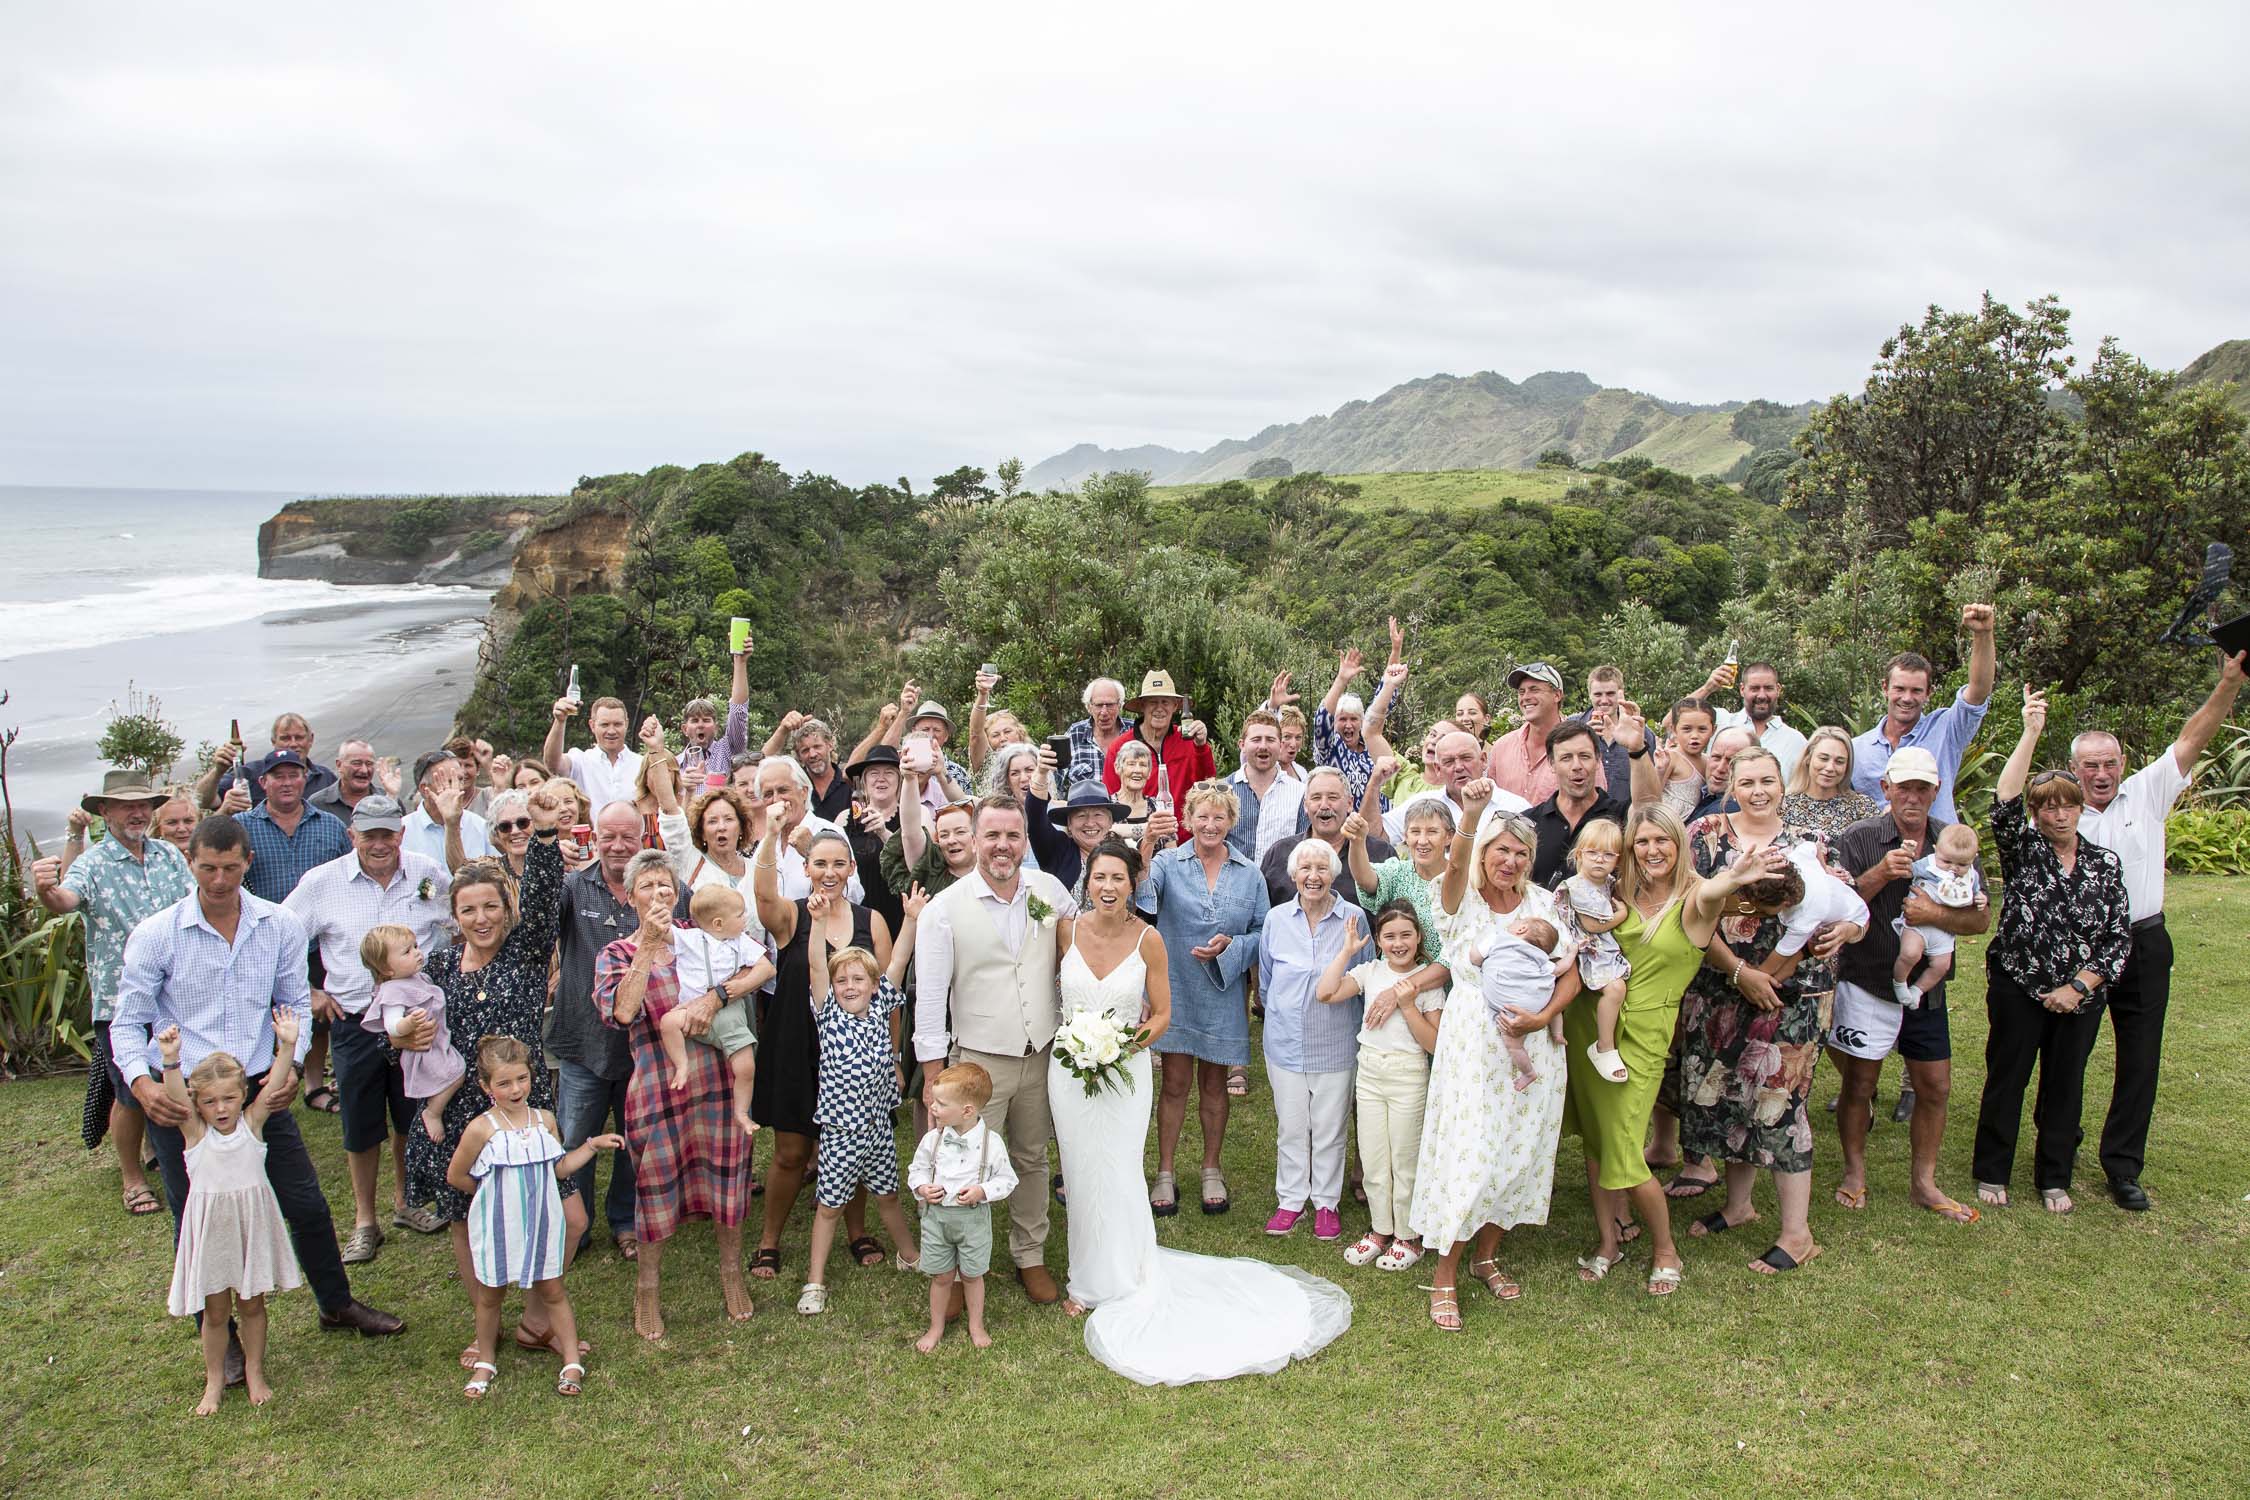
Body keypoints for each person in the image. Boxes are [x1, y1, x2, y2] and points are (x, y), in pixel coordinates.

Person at [1044, 839, 1352, 1384]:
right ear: (1087, 882)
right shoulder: (1065, 931)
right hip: (1069, 1072)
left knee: (1119, 1169)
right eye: (1100, 878)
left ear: (1134, 884)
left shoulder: (1149, 939)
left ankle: (1125, 1273)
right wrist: (1082, 1047)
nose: (1108, 887)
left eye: (1119, 878)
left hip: (1124, 1070)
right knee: (1079, 1170)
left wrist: (1120, 1047)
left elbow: (1162, 1014)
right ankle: (1085, 1275)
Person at [113, 815, 403, 1384]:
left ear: (248, 862)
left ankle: (336, 1302)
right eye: (207, 868)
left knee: (306, 1203)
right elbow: (127, 1022)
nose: (219, 880)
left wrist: (290, 1067)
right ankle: (217, 1336)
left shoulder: (278, 924)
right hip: (182, 1094)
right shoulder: (157, 933)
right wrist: (142, 1085)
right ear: (190, 863)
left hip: (254, 1090)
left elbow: (293, 1001)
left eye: (230, 868)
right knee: (194, 1215)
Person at [1673, 747, 1870, 1274]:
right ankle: (1738, 1205)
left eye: (1767, 781)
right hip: (1720, 990)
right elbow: (1688, 910)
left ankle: (1797, 1234)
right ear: (1729, 786)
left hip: (1793, 997)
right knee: (1732, 1097)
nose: (1757, 791)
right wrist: (1741, 971)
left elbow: (1852, 908)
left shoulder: (1811, 842)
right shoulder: (1705, 836)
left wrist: (1847, 931)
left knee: (1780, 1104)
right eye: (1747, 782)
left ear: (1783, 785)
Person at [397, 816, 581, 1367]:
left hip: (525, 1108)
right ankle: (487, 1328)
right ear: (454, 916)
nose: (481, 919)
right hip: (461, 1114)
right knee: (469, 1222)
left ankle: (536, 1319)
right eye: (469, 910)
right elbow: (399, 1031)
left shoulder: (526, 952)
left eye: (491, 906)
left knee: (569, 1218)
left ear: (508, 907)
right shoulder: (436, 968)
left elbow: (544, 901)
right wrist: (400, 1035)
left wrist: (543, 837)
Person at [2074, 649, 2245, 1209]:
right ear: (2074, 769)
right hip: (2081, 947)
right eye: (2090, 766)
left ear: (2122, 763)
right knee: (2068, 1051)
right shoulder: (2059, 811)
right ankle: (2060, 1143)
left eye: (2109, 763)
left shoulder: (2148, 791)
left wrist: (2228, 683)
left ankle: (2123, 1167)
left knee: (2140, 1058)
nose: (2101, 774)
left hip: (2144, 941)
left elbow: (2194, 738)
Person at [1407, 786, 1578, 1328]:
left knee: (1520, 1150)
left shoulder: (1544, 905)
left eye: (1522, 853)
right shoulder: (1459, 897)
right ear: (1483, 852)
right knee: (1473, 1152)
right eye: (1501, 849)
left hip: (1533, 1047)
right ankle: (1444, 1275)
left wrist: (1540, 1017)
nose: (1511, 861)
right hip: (1474, 1043)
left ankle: (1486, 1257)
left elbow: (1572, 973)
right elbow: (1456, 867)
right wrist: (1472, 816)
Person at [911, 796, 1077, 1304]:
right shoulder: (943, 910)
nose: (1002, 846)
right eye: (992, 836)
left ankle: (1030, 1253)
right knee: (961, 1162)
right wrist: (934, 1079)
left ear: (1025, 840)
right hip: (977, 1061)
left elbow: (1081, 947)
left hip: (1040, 1052)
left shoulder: (1049, 891)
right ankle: (954, 1270)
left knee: (1032, 1156)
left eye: (1012, 836)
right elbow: (930, 1000)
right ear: (974, 840)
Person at [1972, 687, 2132, 1214]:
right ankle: (1992, 1170)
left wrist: (2079, 986)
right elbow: (2005, 801)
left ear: (2081, 808)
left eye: (2067, 805)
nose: (2059, 815)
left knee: (2065, 1086)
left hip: (2079, 996)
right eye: (2048, 807)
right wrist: (2031, 731)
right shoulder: (2023, 850)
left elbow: (2117, 937)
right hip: (2018, 985)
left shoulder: (2104, 864)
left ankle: (2054, 1176)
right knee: (2008, 1078)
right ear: (2037, 814)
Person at [594, 851, 760, 1338]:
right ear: (630, 897)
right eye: (647, 886)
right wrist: (647, 945)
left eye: (665, 884)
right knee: (655, 1189)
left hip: (719, 1083)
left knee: (729, 1180)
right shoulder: (616, 953)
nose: (658, 893)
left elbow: (755, 967)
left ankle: (731, 1274)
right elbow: (622, 1013)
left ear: (678, 893)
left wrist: (717, 996)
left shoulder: (702, 934)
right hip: (659, 1088)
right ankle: (647, 1289)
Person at [284, 793, 454, 1258]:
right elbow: (280, 938)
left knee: (409, 1115)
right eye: (369, 835)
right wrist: (309, 992)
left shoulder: (426, 873)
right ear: (352, 835)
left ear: (401, 833)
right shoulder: (323, 882)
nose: (379, 844)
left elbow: (455, 925)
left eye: (387, 834)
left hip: (416, 1024)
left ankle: (406, 1201)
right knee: (360, 1123)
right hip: (356, 1020)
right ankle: (365, 1220)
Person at [1827, 745, 1991, 1222]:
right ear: (1887, 788)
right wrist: (1881, 873)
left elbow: (1980, 920)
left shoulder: (1953, 839)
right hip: (1867, 979)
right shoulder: (1860, 837)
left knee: (1934, 1086)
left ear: (1936, 791)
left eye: (1923, 788)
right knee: (1860, 1083)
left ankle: (1924, 1182)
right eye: (1904, 788)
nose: (1913, 797)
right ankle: (1854, 1172)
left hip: (1925, 988)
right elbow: (1838, 903)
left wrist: (1933, 913)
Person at [32, 770, 192, 1218]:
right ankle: (132, 1177)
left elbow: (193, 905)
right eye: (126, 806)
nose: (137, 813)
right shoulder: (93, 863)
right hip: (120, 1003)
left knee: (178, 1078)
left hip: (176, 995)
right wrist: (45, 890)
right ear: (104, 811)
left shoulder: (168, 855)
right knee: (130, 1093)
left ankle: (183, 1157)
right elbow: (64, 900)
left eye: (143, 805)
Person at [751, 815, 893, 1282]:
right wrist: (772, 835)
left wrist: (890, 1057)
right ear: (806, 868)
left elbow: (888, 996)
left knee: (853, 1145)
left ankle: (857, 1231)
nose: (829, 873)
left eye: (837, 864)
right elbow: (763, 898)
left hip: (856, 1059)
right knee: (791, 1151)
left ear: (851, 868)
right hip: (798, 1046)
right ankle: (769, 1239)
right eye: (819, 864)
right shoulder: (792, 915)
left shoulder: (871, 922)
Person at [447, 1036, 623, 1399]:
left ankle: (571, 1360)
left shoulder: (544, 1120)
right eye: (504, 1083)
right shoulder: (481, 1128)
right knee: (490, 1296)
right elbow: (456, 1175)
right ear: (486, 1086)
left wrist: (592, 1145)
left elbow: (559, 1169)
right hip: (499, 1228)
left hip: (541, 1224)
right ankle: (486, 1360)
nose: (515, 1089)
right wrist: (489, 1195)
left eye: (522, 1079)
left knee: (553, 1290)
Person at [1134, 783, 1269, 1217]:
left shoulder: (1250, 873)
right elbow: (1142, 902)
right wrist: (1146, 846)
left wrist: (1233, 946)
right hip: (1175, 986)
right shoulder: (1167, 864)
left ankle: (1212, 1167)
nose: (1210, 825)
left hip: (1224, 989)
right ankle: (1165, 1171)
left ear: (1232, 822)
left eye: (1219, 817)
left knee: (1214, 1083)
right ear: (1188, 820)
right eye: (1202, 817)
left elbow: (1264, 933)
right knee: (1174, 1083)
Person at [156, 1019, 303, 1415]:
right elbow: (177, 1097)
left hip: (248, 1227)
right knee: (216, 1311)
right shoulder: (195, 1135)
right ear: (197, 1104)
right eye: (209, 1102)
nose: (220, 1109)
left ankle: (254, 1371)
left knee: (252, 1304)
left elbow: (274, 1086)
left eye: (228, 1098)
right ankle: (214, 1380)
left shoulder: (251, 1125)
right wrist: (170, 1060)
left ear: (242, 1095)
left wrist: (287, 1046)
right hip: (214, 1233)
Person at [794, 889, 927, 1315]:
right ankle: (815, 1281)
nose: (849, 986)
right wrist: (817, 923)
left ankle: (910, 1255)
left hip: (878, 1128)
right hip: (840, 1132)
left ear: (873, 984)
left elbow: (898, 960)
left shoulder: (881, 1003)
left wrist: (911, 919)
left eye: (858, 980)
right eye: (842, 981)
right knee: (830, 1206)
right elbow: (817, 964)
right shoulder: (829, 1012)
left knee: (888, 1196)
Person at [1258, 840, 1371, 1242]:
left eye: (1322, 869)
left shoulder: (1354, 918)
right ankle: (1291, 1200)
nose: (1313, 876)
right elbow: (1266, 980)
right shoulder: (1276, 919)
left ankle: (1326, 1202)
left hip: (1336, 1041)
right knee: (1291, 1126)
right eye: (1305, 869)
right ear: (1293, 876)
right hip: (1285, 1042)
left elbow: (1364, 978)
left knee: (1329, 1128)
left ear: (1334, 874)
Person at [1318, 900, 1441, 1270]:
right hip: (1370, 1073)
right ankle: (1380, 1229)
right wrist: (1346, 951)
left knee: (1404, 1159)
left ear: (1418, 938)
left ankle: (1408, 1235)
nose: (1398, 943)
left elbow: (1434, 1044)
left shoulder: (1426, 981)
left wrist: (1408, 1005)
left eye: (1406, 935)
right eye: (1390, 936)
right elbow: (1325, 993)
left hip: (1408, 1074)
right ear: (1378, 940)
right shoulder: (1370, 971)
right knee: (1373, 1158)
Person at [1849, 603, 1998, 823]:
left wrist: (1983, 634)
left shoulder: (1946, 731)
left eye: (1916, 691)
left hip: (1939, 843)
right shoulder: (1856, 750)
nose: (1907, 698)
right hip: (1879, 845)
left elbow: (1978, 691)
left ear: (1928, 693)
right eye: (1900, 689)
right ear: (1885, 688)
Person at [909, 1062, 1017, 1352]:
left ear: (967, 1110)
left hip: (973, 1221)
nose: (933, 1107)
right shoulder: (933, 1140)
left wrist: (982, 1191)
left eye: (941, 1103)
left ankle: (976, 1324)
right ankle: (935, 1327)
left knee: (972, 1275)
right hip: (937, 1220)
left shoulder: (991, 1143)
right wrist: (922, 1187)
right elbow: (916, 1170)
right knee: (942, 1276)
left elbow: (1007, 1180)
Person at [663, 885, 770, 1134]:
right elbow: (662, 931)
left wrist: (739, 986)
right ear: (719, 923)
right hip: (691, 1009)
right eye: (740, 914)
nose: (745, 918)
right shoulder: (690, 938)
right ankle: (681, 1064)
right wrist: (663, 906)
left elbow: (766, 969)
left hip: (729, 1016)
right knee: (668, 1022)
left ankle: (741, 1112)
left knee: (745, 1067)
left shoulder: (741, 942)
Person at [357, 924, 465, 1143]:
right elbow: (392, 1026)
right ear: (386, 969)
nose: (416, 952)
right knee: (456, 1073)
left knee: (455, 1073)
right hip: (424, 1050)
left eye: (415, 946)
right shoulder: (392, 991)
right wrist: (409, 1024)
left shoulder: (418, 978)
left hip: (437, 1042)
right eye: (407, 951)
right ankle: (432, 1112)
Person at [1555, 818, 1632, 1082]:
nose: (1600, 860)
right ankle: (1604, 1047)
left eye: (1608, 855)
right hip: (1584, 949)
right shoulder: (1578, 887)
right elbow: (1592, 925)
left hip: (1602, 948)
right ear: (1579, 855)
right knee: (1615, 989)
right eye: (1592, 853)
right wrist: (1621, 915)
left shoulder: (1608, 882)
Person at [1348, 763, 1449, 963]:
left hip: (1447, 978)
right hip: (1396, 978)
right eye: (1415, 832)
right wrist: (1357, 841)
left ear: (1449, 836)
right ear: (1405, 836)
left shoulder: (1460, 876)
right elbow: (1364, 878)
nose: (1422, 840)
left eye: (1432, 832)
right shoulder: (1397, 871)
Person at [1259, 767, 1397, 910]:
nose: (1324, 805)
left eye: (1333, 797)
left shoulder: (1381, 853)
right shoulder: (1279, 854)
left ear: (1349, 804)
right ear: (1306, 805)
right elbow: (1262, 914)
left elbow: (1398, 913)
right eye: (1316, 798)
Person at [232, 749, 351, 904]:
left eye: (293, 776)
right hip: (264, 918)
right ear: (263, 782)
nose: (287, 783)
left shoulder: (332, 826)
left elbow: (351, 875)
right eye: (278, 777)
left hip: (324, 918)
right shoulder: (241, 827)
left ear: (305, 779)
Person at [1525, 720, 1627, 889]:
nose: (1576, 766)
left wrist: (1637, 751)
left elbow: (1646, 804)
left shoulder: (1621, 817)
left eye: (1584, 756)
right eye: (1566, 758)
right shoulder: (1529, 823)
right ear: (1552, 764)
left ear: (1598, 760)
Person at [1891, 824, 1984, 1006]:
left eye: (1962, 864)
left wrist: (1980, 898)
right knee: (1910, 954)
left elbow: (1974, 892)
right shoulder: (1929, 865)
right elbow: (1908, 871)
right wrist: (1906, 854)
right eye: (1946, 861)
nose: (1953, 868)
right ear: (1936, 850)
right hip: (1917, 925)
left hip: (1944, 931)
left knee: (1942, 966)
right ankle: (1899, 982)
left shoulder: (1971, 875)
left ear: (1973, 859)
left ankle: (1918, 990)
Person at [1468, 916, 1565, 1090]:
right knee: (1552, 1000)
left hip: (1509, 1006)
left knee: (1514, 1046)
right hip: (1537, 1000)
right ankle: (1557, 1032)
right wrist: (1571, 953)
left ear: (1521, 929)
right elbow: (1558, 970)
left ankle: (1528, 1073)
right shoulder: (1540, 956)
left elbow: (1475, 958)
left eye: (1516, 922)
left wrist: (1475, 944)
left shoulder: (1499, 937)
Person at [1385, 728, 1523, 842]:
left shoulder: (1514, 807)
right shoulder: (1421, 804)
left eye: (1466, 758)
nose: (1458, 767)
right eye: (1449, 761)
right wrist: (1375, 784)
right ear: (1438, 769)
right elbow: (1379, 835)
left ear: (1483, 760)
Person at [1102, 670, 1216, 805]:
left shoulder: (1188, 741)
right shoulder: (1119, 747)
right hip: (1137, 819)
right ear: (1143, 706)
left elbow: (1207, 786)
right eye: (1153, 702)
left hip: (1182, 819)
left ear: (1175, 706)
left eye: (1165, 702)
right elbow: (1109, 798)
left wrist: (1201, 746)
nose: (1159, 708)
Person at [1313, 646, 1406, 805]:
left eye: (1354, 719)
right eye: (1342, 719)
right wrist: (1341, 680)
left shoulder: (1371, 746)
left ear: (1362, 722)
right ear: (1334, 723)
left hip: (1379, 819)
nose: (1348, 725)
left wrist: (1395, 651)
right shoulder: (1329, 749)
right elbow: (1322, 719)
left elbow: (1384, 700)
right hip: (1344, 820)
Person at [199, 712, 337, 811]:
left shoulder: (325, 777)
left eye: (299, 737)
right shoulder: (250, 773)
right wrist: (218, 771)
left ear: (310, 740)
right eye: (285, 738)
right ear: (273, 741)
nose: (293, 744)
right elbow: (203, 801)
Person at [1703, 661, 1808, 782]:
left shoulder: (1796, 741)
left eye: (1768, 688)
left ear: (1778, 689)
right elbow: (1683, 718)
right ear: (1742, 689)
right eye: (1755, 688)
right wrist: (1706, 689)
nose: (1762, 695)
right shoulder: (1721, 720)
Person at [543, 691, 645, 816]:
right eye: (604, 725)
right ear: (592, 726)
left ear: (626, 724)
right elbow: (553, 764)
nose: (611, 731)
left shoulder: (642, 764)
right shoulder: (580, 761)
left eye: (617, 724)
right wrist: (560, 721)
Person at [1029, 777, 1129, 902]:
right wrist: (1041, 774)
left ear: (1110, 822)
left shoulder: (1123, 854)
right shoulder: (1058, 850)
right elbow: (1035, 817)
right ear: (1069, 824)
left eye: (1098, 815)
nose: (1090, 823)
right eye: (1081, 816)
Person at [1223, 709, 1303, 862]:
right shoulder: (1224, 790)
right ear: (1242, 745)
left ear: (1280, 745)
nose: (1263, 746)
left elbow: (1305, 849)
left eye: (1270, 740)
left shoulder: (1300, 793)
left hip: (1283, 878)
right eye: (1256, 739)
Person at [1486, 662, 1572, 804]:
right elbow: (1490, 803)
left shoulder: (1579, 746)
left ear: (1557, 695)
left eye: (1534, 689)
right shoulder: (1501, 748)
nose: (1525, 697)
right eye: (1521, 692)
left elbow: (1595, 806)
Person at [1781, 726, 1883, 841]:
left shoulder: (1862, 807)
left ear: (1847, 766)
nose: (1830, 767)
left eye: (1839, 762)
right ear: (1808, 758)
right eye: (1824, 759)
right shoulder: (1784, 805)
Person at [678, 637, 753, 784]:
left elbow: (738, 712)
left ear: (716, 727)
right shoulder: (674, 765)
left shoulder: (728, 751)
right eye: (695, 720)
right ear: (685, 729)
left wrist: (740, 661)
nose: (701, 725)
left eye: (706, 720)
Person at [1061, 676, 1132, 797]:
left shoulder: (1134, 732)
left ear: (1119, 705)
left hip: (1128, 808)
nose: (1104, 712)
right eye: (1098, 705)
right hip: (1086, 808)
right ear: (1089, 707)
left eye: (1110, 705)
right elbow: (1055, 781)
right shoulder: (1075, 734)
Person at [308, 739, 379, 822]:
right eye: (357, 763)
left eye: (369, 764)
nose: (364, 770)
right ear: (339, 765)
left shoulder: (386, 800)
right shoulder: (317, 804)